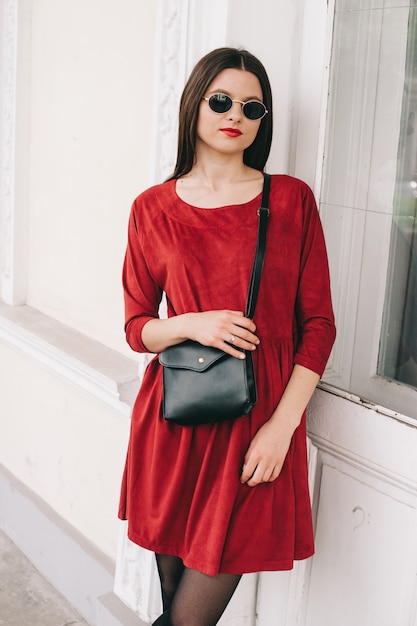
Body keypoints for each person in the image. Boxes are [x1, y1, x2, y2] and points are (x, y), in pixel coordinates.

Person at [118, 47, 336, 626]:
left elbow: (319, 325)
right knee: (175, 610)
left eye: (252, 105)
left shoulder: (291, 201)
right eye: (220, 100)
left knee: (190, 620)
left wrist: (282, 429)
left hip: (256, 427)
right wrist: (191, 323)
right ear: (195, 106)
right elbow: (137, 327)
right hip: (175, 424)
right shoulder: (152, 209)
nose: (234, 113)